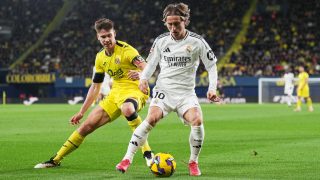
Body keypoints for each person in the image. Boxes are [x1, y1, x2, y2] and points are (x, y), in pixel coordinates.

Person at [116, 3, 219, 176]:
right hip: (164, 91)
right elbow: (150, 64)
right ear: (165, 23)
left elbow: (212, 66)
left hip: (186, 93)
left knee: (197, 121)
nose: (173, 28)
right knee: (151, 118)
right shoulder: (161, 40)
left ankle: (193, 162)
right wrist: (143, 79)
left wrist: (212, 88)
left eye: (176, 24)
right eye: (169, 24)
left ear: (185, 20)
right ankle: (127, 159)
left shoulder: (197, 41)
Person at [34, 18, 154, 168]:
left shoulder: (127, 50)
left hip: (135, 89)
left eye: (109, 35)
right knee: (86, 127)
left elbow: (147, 66)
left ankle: (148, 154)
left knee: (127, 108)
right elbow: (95, 87)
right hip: (115, 93)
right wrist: (81, 112)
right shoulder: (100, 57)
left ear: (114, 34)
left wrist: (142, 75)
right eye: (103, 37)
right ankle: (55, 159)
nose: (107, 39)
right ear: (98, 37)